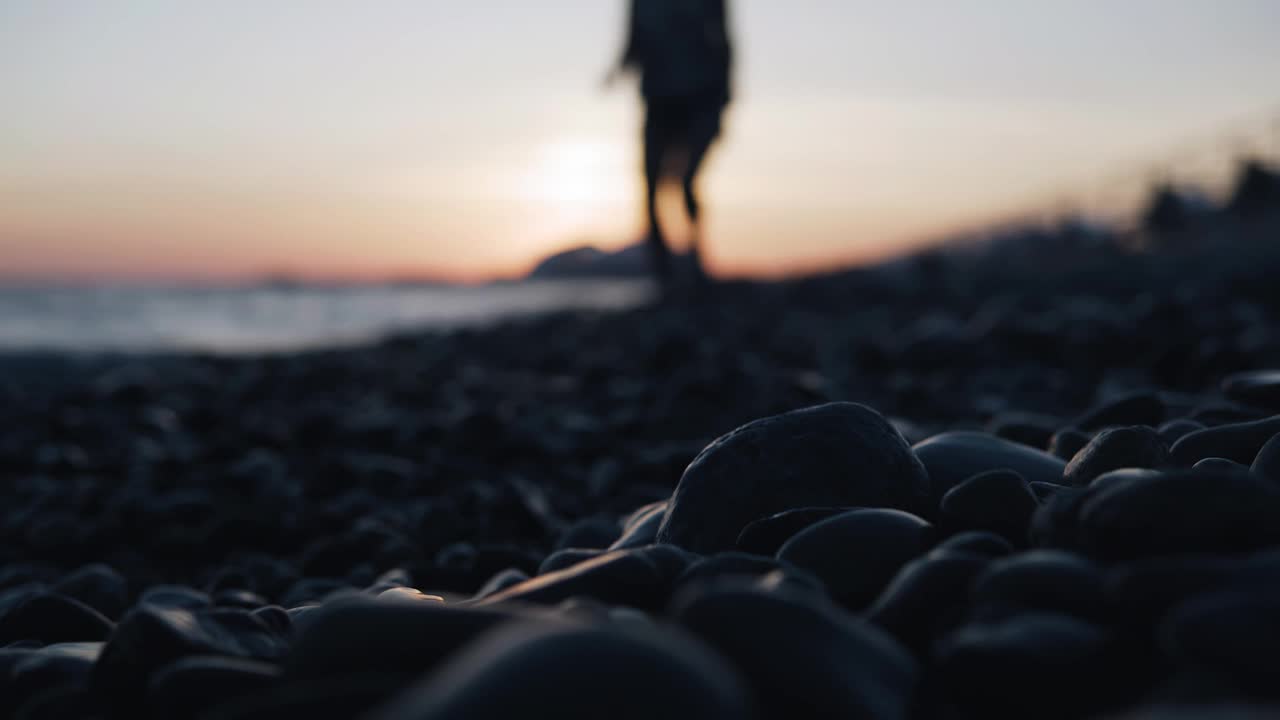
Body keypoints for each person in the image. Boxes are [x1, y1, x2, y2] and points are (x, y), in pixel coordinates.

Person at [606, 0, 733, 289]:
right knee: (650, 185)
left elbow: (724, 40)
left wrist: (725, 92)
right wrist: (617, 69)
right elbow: (633, 42)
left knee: (687, 181)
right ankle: (662, 273)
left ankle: (694, 258)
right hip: (658, 99)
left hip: (698, 97)